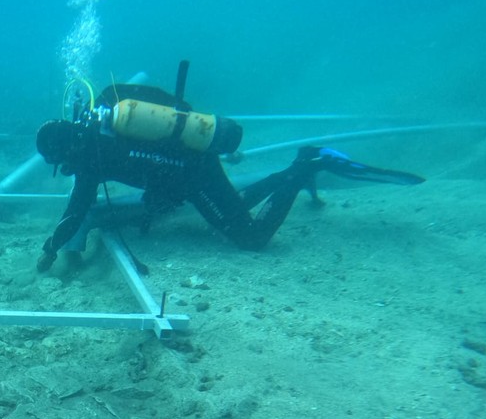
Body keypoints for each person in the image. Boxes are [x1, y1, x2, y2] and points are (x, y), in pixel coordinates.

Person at [35, 66, 425, 271]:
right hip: (187, 169)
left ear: (65, 151)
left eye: (60, 163)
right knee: (209, 203)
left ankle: (308, 163)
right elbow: (170, 105)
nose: (65, 169)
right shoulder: (107, 113)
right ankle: (298, 170)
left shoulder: (89, 160)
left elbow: (74, 215)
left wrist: (50, 252)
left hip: (194, 174)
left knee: (251, 237)